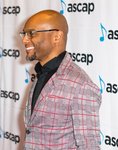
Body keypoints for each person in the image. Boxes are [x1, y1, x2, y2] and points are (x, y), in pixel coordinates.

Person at [20, 9, 102, 150]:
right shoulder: (41, 72)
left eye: (31, 33)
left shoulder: (81, 85)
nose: (25, 40)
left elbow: (89, 146)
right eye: (24, 34)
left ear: (57, 36)